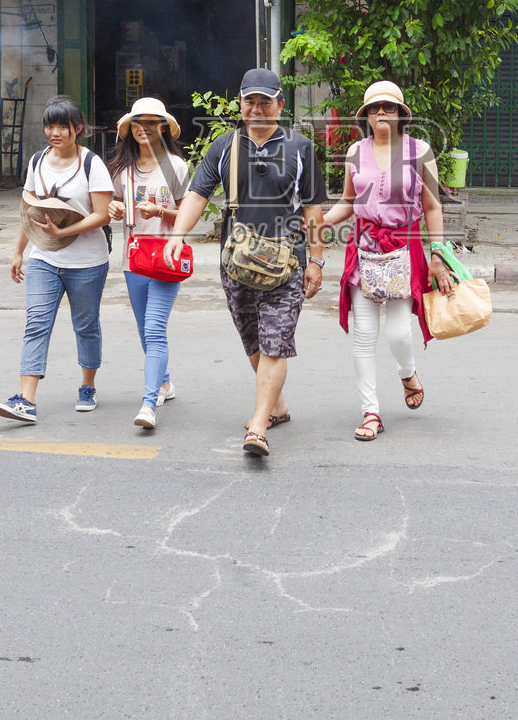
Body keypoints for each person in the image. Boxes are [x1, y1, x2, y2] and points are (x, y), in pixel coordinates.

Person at [163, 68, 328, 458]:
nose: (256, 108)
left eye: (264, 101)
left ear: (279, 105)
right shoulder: (222, 147)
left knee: (275, 343)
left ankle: (258, 425)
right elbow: (198, 195)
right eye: (249, 100)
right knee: (252, 339)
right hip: (236, 261)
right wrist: (176, 236)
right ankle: (278, 405)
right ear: (240, 103)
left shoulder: (300, 148)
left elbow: (313, 209)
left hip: (286, 262)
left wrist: (317, 260)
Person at [320, 81, 455, 442]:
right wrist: (321, 219)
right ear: (365, 115)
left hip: (403, 248)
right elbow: (349, 201)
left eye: (389, 107)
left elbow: (432, 207)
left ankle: (407, 372)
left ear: (400, 114)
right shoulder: (354, 152)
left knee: (398, 333)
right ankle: (371, 411)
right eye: (375, 108)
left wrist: (438, 255)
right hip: (364, 249)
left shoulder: (420, 151)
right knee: (364, 336)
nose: (382, 112)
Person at [0, 95, 114, 424]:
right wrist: (19, 251)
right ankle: (26, 399)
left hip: (87, 261)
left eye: (63, 126)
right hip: (43, 257)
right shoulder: (37, 162)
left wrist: (65, 231)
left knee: (85, 325)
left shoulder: (92, 164)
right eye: (50, 125)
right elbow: (28, 210)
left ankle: (87, 386)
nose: (55, 132)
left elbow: (102, 215)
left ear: (78, 129)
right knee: (36, 323)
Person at [105, 97, 191, 430]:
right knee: (145, 329)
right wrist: (113, 209)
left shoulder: (175, 167)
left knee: (154, 328)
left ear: (163, 128)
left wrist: (160, 212)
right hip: (133, 257)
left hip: (168, 255)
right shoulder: (123, 171)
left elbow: (188, 213)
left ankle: (148, 402)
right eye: (138, 123)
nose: (145, 129)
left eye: (153, 123)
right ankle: (165, 382)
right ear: (131, 129)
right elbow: (113, 206)